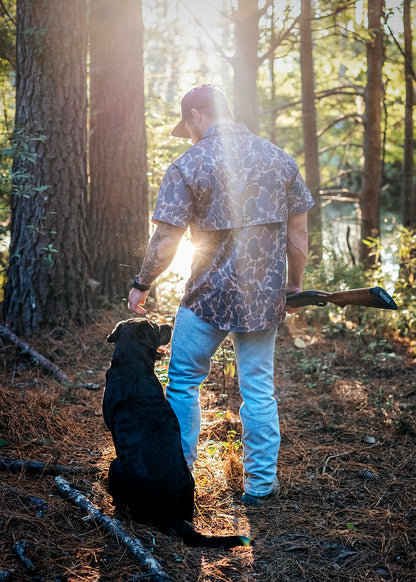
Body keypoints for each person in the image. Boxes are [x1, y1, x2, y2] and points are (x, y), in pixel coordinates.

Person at [128, 84, 314, 506]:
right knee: (258, 389)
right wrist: (293, 285)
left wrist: (143, 283)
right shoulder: (278, 158)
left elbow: (167, 238)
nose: (189, 135)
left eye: (188, 126)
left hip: (205, 297)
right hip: (263, 298)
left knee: (181, 384)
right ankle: (260, 488)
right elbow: (298, 234)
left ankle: (178, 475)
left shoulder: (187, 164)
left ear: (196, 115)